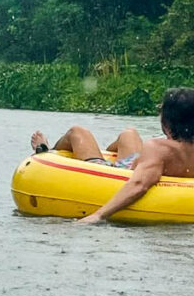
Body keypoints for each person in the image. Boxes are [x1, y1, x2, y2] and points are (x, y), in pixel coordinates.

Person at [30, 87, 194, 224]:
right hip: (136, 162)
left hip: (119, 172)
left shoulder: (159, 148)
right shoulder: (166, 149)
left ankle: (47, 152)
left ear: (166, 122)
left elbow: (139, 184)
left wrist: (98, 215)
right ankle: (104, 152)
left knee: (77, 132)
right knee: (128, 133)